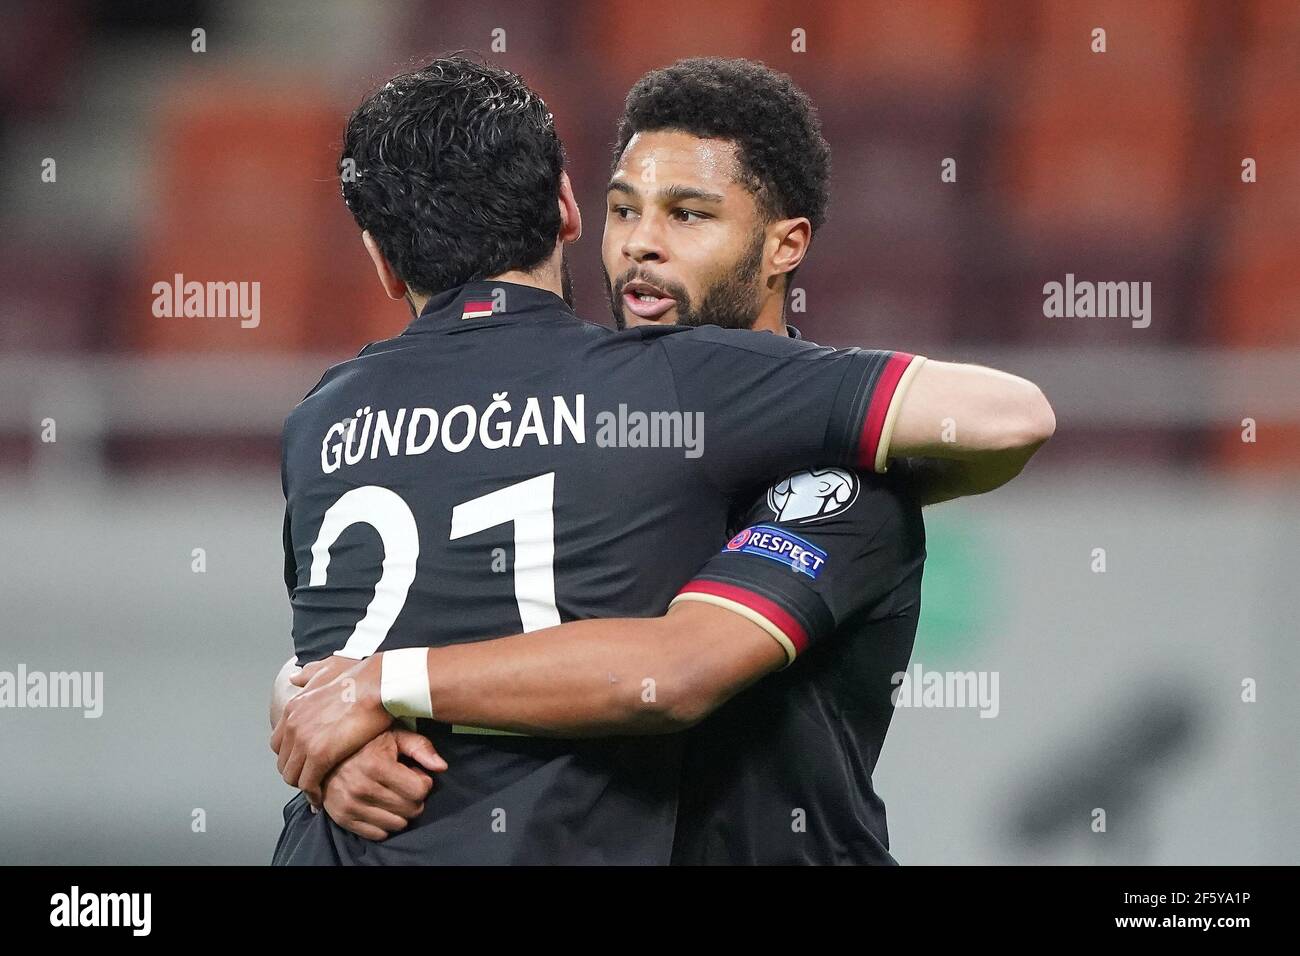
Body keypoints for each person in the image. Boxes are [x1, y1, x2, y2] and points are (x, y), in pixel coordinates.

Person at [270, 55, 1054, 865]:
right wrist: (326, 723)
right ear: (576, 212)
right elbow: (421, 606)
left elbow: (674, 668)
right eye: (623, 209)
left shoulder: (839, 478)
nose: (642, 244)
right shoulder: (593, 417)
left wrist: (370, 687)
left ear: (784, 245)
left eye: (688, 215)